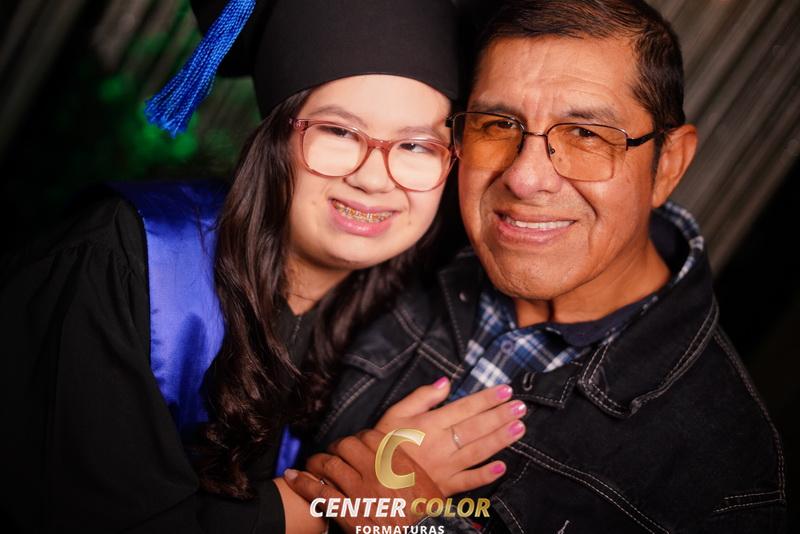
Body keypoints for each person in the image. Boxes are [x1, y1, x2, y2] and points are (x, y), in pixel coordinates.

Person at [0, 0, 529, 532]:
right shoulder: (121, 258)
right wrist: (345, 501)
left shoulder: (406, 326)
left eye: (416, 145)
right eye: (339, 132)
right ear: (274, 137)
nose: (373, 179)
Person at [286, 1, 788, 532]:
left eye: (586, 134)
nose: (525, 179)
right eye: (498, 124)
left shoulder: (723, 475)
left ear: (668, 165)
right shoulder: (396, 243)